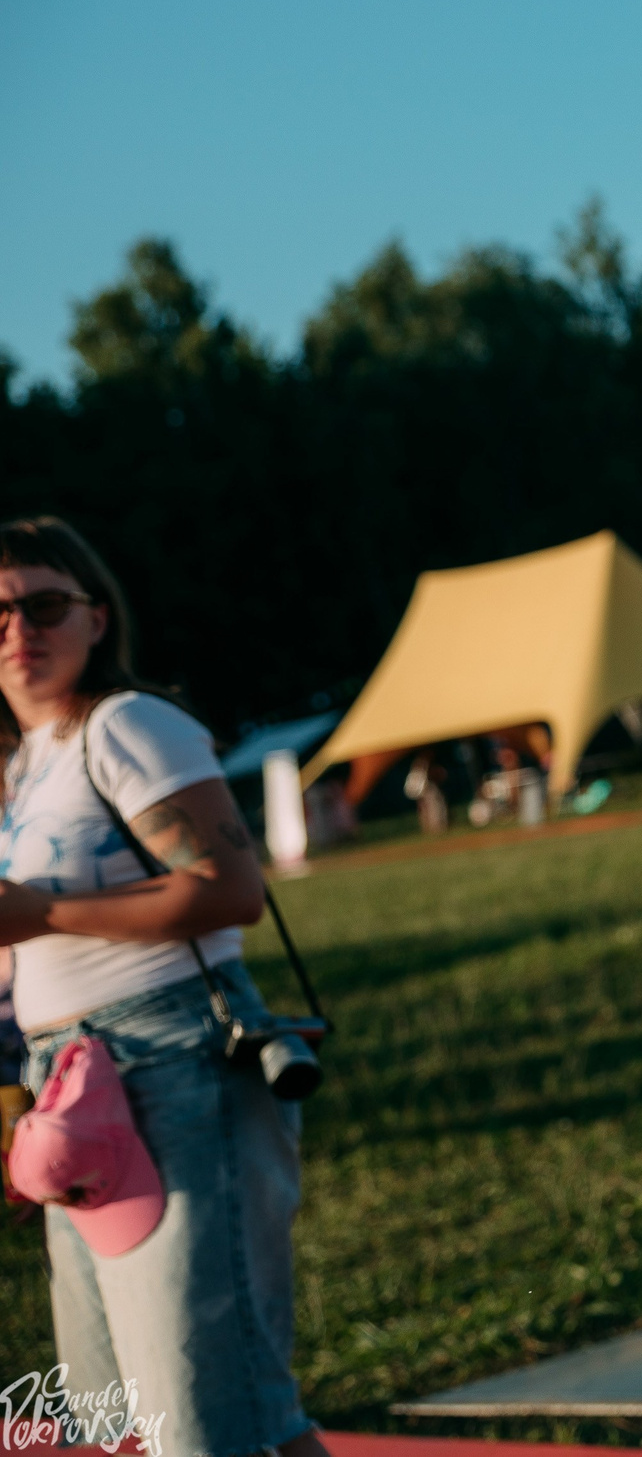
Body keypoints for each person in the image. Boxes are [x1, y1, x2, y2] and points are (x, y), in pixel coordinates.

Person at [0, 516, 329, 1457]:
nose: (18, 628)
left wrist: (43, 913)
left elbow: (231, 890)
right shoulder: (23, 766)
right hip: (70, 1078)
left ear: (97, 617)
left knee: (200, 1415)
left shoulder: (127, 723)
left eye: (44, 604)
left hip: (170, 1057)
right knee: (137, 1413)